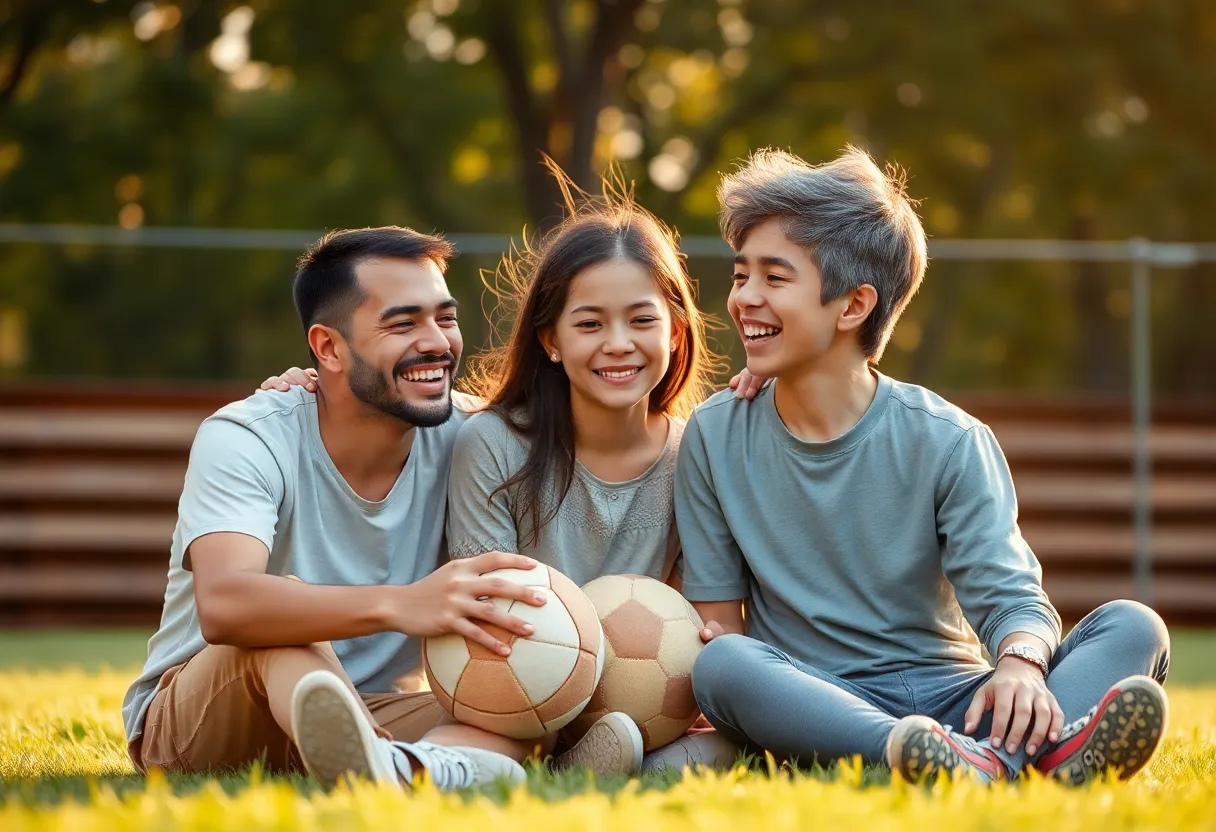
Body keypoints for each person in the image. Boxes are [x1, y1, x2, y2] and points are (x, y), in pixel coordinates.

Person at [678, 147, 1171, 784]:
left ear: (853, 306)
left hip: (959, 698)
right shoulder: (715, 435)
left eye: (774, 278)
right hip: (821, 701)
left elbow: (1011, 597)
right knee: (723, 664)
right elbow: (718, 627)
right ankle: (1013, 760)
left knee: (1134, 625)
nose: (744, 298)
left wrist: (1020, 666)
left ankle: (975, 762)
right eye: (741, 275)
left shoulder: (949, 439)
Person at [265, 165, 744, 778]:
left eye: (642, 320)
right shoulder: (492, 442)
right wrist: (312, 387)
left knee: (731, 743)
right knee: (506, 718)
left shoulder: (696, 450)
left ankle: (608, 758)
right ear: (550, 340)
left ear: (676, 332)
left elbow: (708, 621)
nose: (619, 343)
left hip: (636, 701)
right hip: (515, 686)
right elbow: (488, 621)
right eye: (589, 323)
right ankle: (539, 759)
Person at [122, 225, 600, 792]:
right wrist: (403, 604)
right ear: (329, 348)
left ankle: (404, 767)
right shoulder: (247, 437)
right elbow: (226, 605)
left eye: (445, 318)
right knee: (282, 624)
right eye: (403, 324)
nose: (438, 342)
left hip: (370, 705)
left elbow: (584, 416)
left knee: (523, 704)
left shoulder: (472, 436)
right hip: (211, 708)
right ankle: (400, 759)